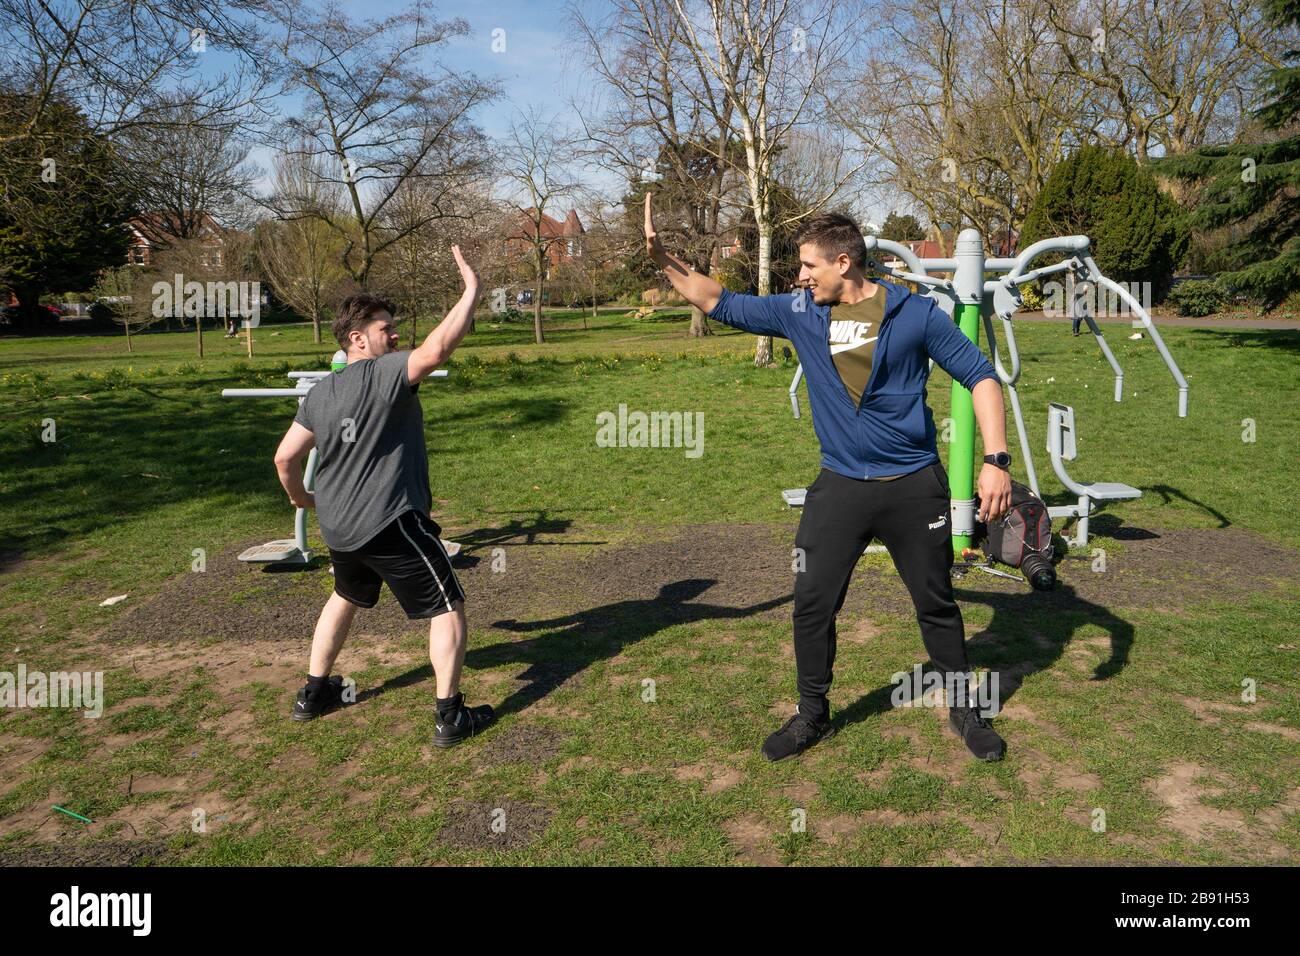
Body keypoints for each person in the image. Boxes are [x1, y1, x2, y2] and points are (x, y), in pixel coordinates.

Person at [643, 194, 1014, 762]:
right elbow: (716, 298)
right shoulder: (800, 312)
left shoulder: (914, 315)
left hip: (914, 486)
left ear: (844, 263)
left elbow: (981, 377)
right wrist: (662, 258)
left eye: (808, 265)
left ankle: (964, 710)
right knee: (812, 602)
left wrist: (996, 460)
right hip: (840, 486)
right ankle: (811, 715)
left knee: (936, 602)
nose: (800, 276)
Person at [272, 245, 494, 748]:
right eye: (385, 329)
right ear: (357, 339)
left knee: (345, 596)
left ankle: (313, 694)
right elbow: (437, 350)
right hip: (391, 520)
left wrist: (305, 500)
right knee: (447, 606)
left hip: (341, 527)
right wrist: (471, 292)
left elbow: (284, 459)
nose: (394, 336)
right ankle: (450, 716)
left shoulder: (320, 393)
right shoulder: (386, 373)